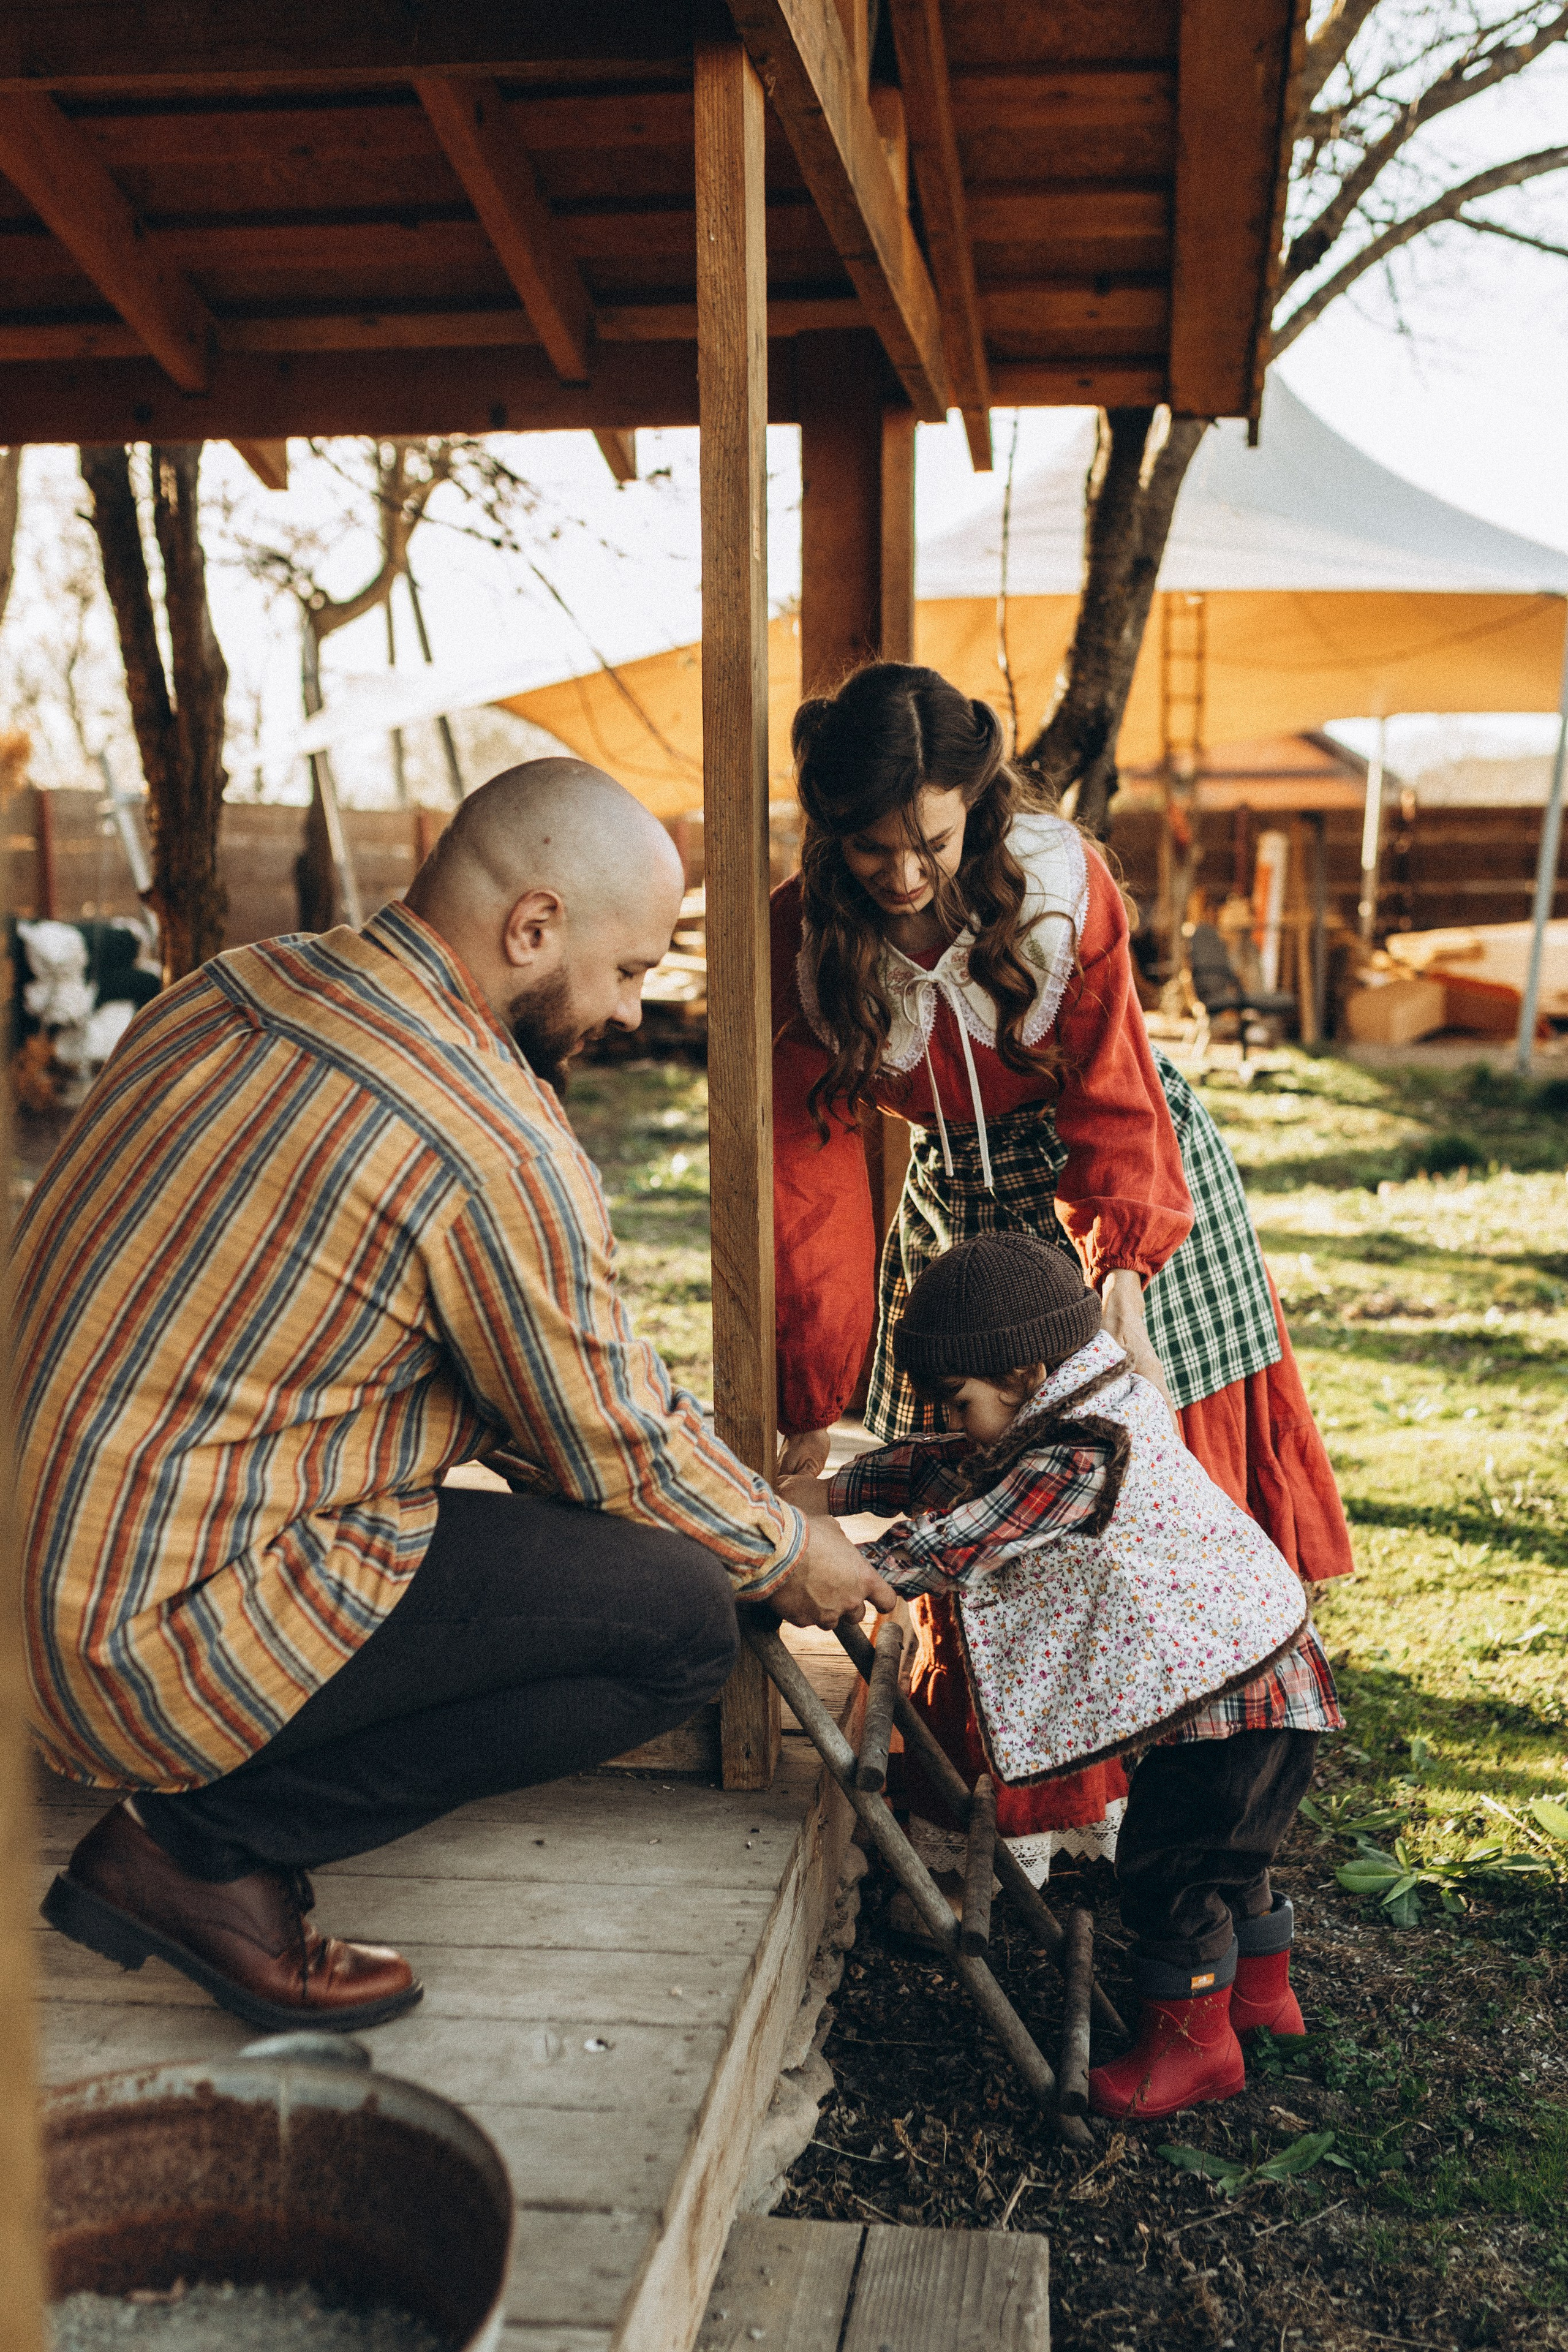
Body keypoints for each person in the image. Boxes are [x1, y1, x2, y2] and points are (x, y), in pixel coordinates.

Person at [20, 758, 895, 2035]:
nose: (630, 1008)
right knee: (676, 1621)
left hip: (35, 1580)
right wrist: (781, 1549)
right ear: (531, 927)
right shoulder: (485, 1138)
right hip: (138, 1653)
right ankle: (198, 1852)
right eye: (630, 968)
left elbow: (568, 1399)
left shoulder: (235, 986)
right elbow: (606, 1442)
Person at [770, 663, 1353, 1891]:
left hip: (1125, 1182)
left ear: (970, 800)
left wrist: (1122, 1290)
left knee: (1126, 1472)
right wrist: (802, 1384)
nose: (903, 873)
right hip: (970, 1207)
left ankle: (1185, 1783)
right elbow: (803, 1172)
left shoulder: (1048, 879)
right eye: (869, 849)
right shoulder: (804, 935)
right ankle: (1025, 1789)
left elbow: (1112, 1093)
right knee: (995, 1475)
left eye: (926, 839)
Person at [785, 1231, 1340, 2119]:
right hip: (1256, 1676)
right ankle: (1262, 2001)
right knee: (1227, 1851)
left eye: (957, 1402)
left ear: (1020, 1378)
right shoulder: (1077, 1396)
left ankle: (1195, 2049)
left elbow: (957, 1539)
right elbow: (945, 1464)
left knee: (1170, 1868)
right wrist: (827, 1494)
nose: (952, 1421)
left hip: (1240, 1694)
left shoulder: (1080, 1458)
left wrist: (828, 1569)